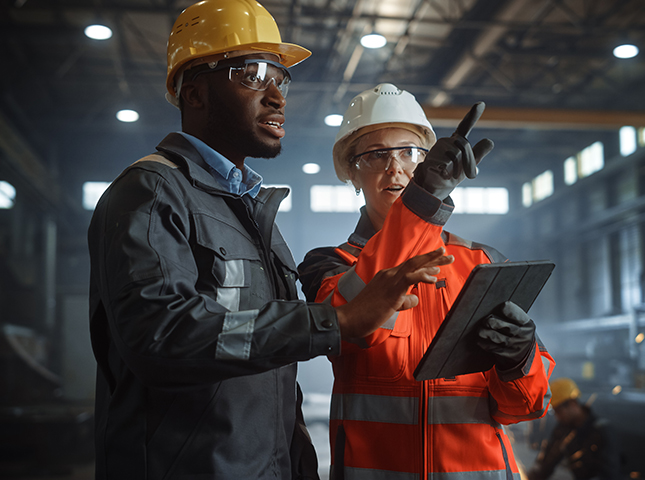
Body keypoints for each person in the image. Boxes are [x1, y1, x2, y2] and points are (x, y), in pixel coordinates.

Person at [87, 3, 452, 479]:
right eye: (253, 75)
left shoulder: (253, 213)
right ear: (194, 92)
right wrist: (334, 320)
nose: (276, 96)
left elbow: (269, 368)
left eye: (280, 79)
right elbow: (163, 337)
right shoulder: (152, 193)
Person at [297, 83, 555, 479]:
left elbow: (522, 408)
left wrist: (519, 360)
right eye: (376, 155)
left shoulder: (481, 263)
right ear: (351, 172)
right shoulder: (330, 265)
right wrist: (424, 199)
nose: (395, 167)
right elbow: (351, 326)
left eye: (410, 153)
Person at [526, 378, 621, 480]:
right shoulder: (563, 429)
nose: (557, 417)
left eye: (558, 411)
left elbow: (609, 473)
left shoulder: (601, 431)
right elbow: (548, 460)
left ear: (573, 404)